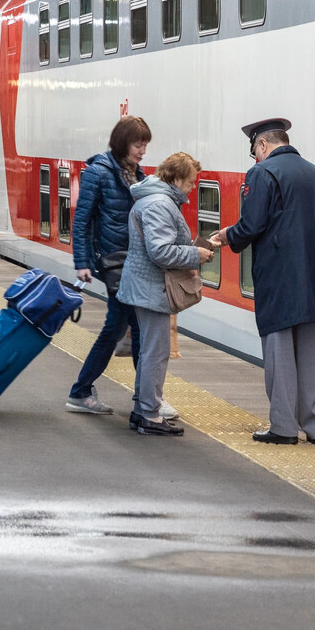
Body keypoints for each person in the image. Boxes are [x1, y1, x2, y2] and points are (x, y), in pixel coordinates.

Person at [210, 118, 315, 446]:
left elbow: (252, 223)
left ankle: (283, 426)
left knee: (279, 351)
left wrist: (227, 236)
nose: (255, 159)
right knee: (312, 355)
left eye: (254, 151)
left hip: (281, 279)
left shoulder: (263, 173)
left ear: (262, 145)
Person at [116, 152, 213, 436]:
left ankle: (142, 409)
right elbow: (160, 251)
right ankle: (149, 415)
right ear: (177, 178)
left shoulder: (156, 200)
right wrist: (196, 254)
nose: (193, 188)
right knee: (156, 353)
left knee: (149, 351)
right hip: (152, 287)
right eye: (191, 182)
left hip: (147, 285)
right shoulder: (160, 204)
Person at [65, 115, 151, 416]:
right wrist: (83, 262)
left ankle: (85, 391)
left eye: (144, 146)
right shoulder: (99, 172)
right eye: (138, 145)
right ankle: (145, 400)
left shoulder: (137, 175)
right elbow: (82, 220)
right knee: (132, 326)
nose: (142, 151)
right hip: (114, 261)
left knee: (120, 327)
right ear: (123, 143)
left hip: (133, 261)